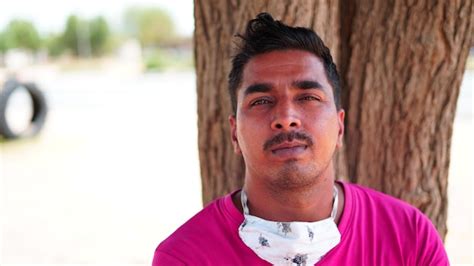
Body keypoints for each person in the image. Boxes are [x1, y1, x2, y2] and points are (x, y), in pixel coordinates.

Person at [153, 13, 448, 265]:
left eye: (308, 97)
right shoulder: (185, 256)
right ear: (234, 133)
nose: (286, 116)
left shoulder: (408, 236)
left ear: (340, 127)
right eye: (261, 101)